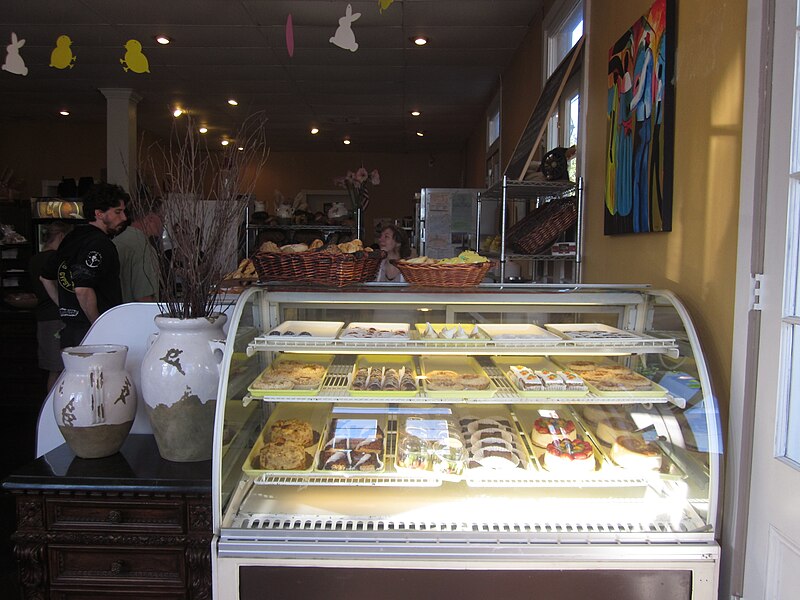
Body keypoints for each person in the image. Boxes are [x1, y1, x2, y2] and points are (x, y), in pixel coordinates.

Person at [40, 183, 128, 348]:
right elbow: (83, 289)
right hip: (92, 332)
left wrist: (66, 307)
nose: (124, 218)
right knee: (98, 374)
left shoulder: (72, 238)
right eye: (118, 212)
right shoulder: (99, 243)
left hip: (70, 329)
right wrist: (98, 326)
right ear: (99, 214)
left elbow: (45, 277)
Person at [28, 221, 73, 389]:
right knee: (62, 370)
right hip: (58, 317)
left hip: (43, 317)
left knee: (53, 370)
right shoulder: (56, 259)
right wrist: (64, 306)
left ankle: (50, 411)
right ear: (61, 236)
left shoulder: (34, 259)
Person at [113, 197, 163, 302]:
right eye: (161, 217)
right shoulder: (144, 247)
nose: (163, 222)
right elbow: (144, 296)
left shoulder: (116, 241)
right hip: (135, 315)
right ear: (151, 218)